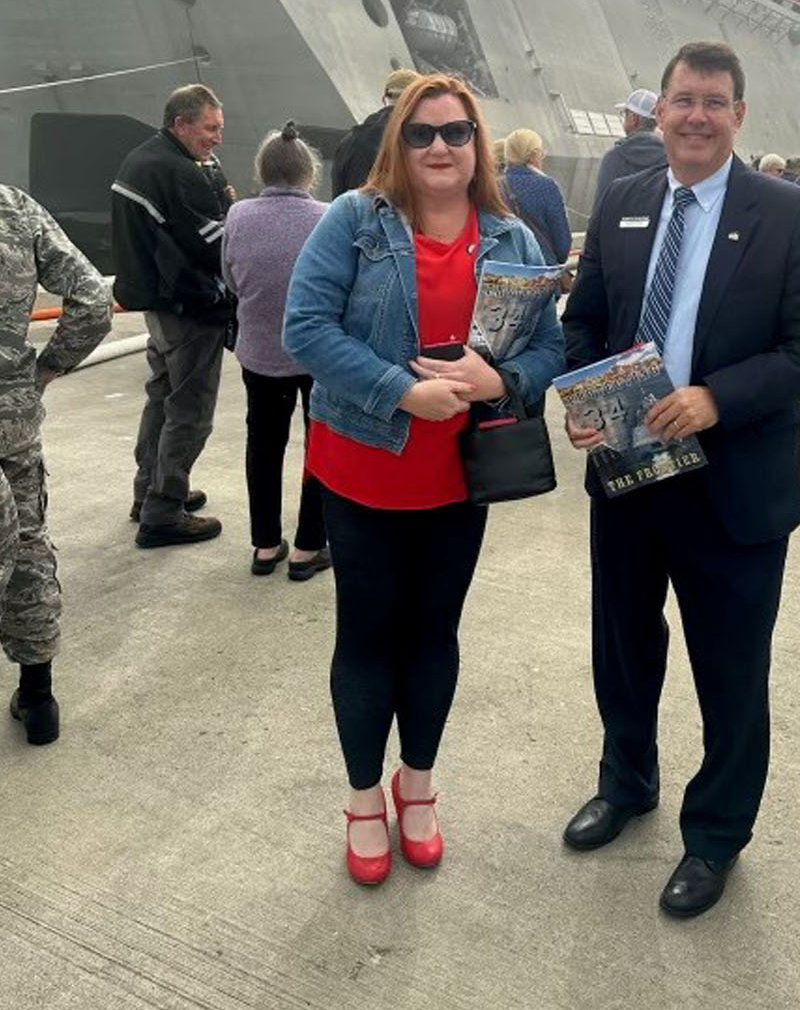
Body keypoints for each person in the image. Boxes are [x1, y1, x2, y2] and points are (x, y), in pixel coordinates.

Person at [561, 40, 800, 918]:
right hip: (632, 473)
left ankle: (716, 835)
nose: (695, 116)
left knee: (730, 667)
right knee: (623, 643)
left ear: (739, 115)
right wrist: (581, 400)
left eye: (713, 102)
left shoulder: (788, 213)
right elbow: (588, 324)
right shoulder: (623, 200)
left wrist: (717, 399)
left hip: (736, 484)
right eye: (682, 99)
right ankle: (627, 778)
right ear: (660, 110)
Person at [283, 73, 565, 886]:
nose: (439, 147)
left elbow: (550, 347)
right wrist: (399, 390)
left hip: (458, 479)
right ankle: (365, 798)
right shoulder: (354, 221)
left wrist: (500, 384)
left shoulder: (512, 238)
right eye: (421, 133)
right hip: (365, 464)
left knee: (435, 633)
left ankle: (420, 786)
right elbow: (305, 325)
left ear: (479, 144)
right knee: (368, 635)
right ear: (397, 144)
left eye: (455, 132)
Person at [1, 186, 112, 744]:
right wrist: (46, 369)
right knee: (26, 545)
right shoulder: (14, 208)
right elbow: (93, 301)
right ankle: (39, 698)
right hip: (10, 419)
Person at [111, 84, 234, 547]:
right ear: (181, 124)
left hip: (158, 304)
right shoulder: (178, 171)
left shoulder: (143, 159)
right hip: (188, 307)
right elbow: (214, 244)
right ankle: (164, 510)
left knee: (162, 396)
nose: (218, 138)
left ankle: (150, 492)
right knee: (191, 409)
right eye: (210, 128)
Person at [221, 124, 330, 580]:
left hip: (260, 352)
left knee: (263, 444)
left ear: (261, 171)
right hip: (320, 354)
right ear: (311, 173)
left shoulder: (238, 215)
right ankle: (308, 546)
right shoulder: (329, 216)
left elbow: (229, 277)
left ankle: (265, 545)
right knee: (320, 445)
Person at [330, 69, 419, 199]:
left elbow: (337, 196)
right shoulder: (420, 142)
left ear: (384, 99)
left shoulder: (349, 141)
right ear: (418, 102)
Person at [501, 129, 572, 268]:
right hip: (540, 274)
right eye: (541, 153)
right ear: (534, 155)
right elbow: (562, 248)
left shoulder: (493, 187)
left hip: (504, 276)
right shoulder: (547, 186)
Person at [592, 88, 667, 212]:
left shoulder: (613, 158)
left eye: (625, 114)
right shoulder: (669, 159)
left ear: (633, 119)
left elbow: (601, 208)